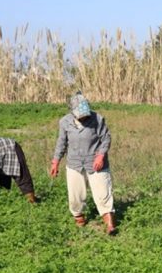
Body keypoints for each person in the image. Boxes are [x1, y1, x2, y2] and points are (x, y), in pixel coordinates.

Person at [50, 92, 116, 234]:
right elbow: (61, 143)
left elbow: (106, 139)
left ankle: (110, 224)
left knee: (103, 192)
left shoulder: (97, 119)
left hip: (96, 162)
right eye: (81, 115)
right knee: (75, 196)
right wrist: (55, 161)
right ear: (72, 112)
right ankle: (79, 220)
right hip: (74, 163)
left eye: (86, 114)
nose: (84, 117)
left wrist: (100, 156)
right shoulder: (65, 122)